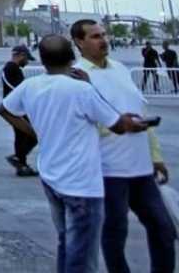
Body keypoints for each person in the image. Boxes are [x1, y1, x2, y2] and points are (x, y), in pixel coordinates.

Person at [0, 35, 147, 273]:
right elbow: (116, 124)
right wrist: (136, 123)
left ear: (43, 61)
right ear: (72, 57)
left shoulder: (31, 86)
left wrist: (35, 132)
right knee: (83, 253)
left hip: (51, 176)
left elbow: (4, 109)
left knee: (66, 242)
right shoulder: (81, 90)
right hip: (81, 183)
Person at [70, 20, 175, 273]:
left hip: (141, 169)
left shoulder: (120, 69)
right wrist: (120, 125)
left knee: (163, 229)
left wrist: (155, 155)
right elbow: (78, 125)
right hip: (108, 170)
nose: (103, 40)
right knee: (115, 233)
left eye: (104, 35)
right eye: (95, 36)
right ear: (79, 42)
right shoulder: (76, 77)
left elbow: (140, 110)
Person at [2, 45, 38, 177]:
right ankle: (19, 160)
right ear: (21, 55)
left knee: (22, 135)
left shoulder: (13, 68)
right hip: (15, 109)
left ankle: (21, 162)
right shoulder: (11, 68)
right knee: (30, 134)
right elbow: (15, 87)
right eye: (26, 58)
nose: (27, 62)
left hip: (17, 108)